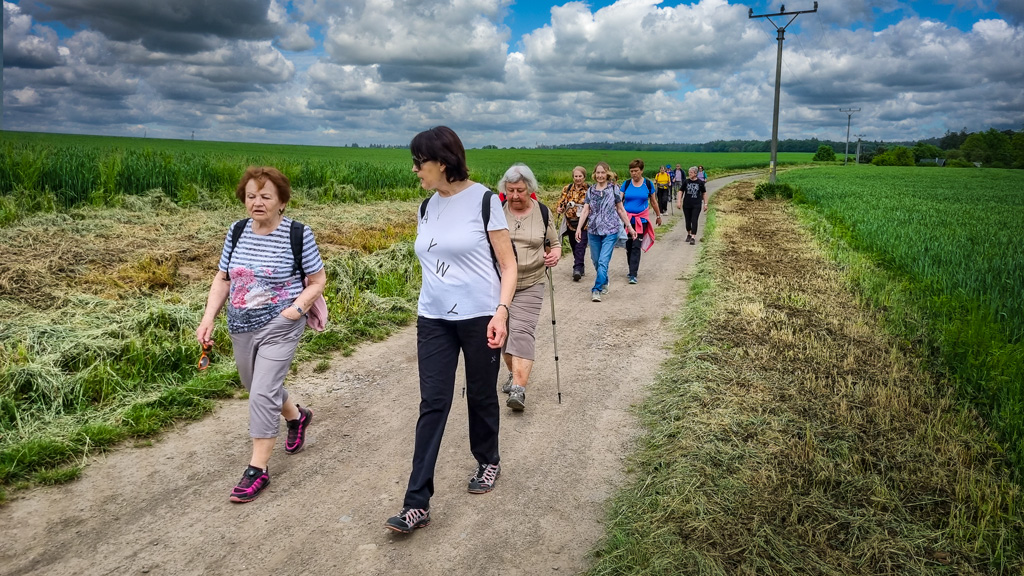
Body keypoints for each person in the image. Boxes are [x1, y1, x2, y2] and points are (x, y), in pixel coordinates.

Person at [386, 126, 517, 534]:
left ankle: (488, 460)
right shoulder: (425, 207)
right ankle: (416, 503)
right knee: (434, 403)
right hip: (434, 319)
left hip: (480, 316)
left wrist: (501, 312)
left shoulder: (484, 202)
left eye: (419, 162)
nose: (414, 170)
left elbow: (508, 265)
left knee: (480, 395)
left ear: (442, 162)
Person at [196, 166, 327, 504]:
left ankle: (258, 469)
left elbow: (317, 281)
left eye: (265, 196)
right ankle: (298, 418)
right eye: (251, 196)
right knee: (254, 385)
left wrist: (295, 311)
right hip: (240, 323)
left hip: (281, 325)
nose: (256, 202)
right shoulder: (237, 231)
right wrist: (209, 317)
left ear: (281, 202)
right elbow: (223, 278)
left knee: (262, 393)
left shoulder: (299, 234)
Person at [497, 164, 559, 411]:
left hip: (531, 282)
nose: (515, 196)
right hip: (499, 285)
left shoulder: (543, 212)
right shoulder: (496, 212)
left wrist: (554, 255)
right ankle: (513, 373)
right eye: (510, 190)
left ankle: (519, 390)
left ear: (530, 189)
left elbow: (554, 244)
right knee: (503, 335)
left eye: (520, 190)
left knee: (522, 332)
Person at [575, 161, 636, 302]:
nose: (600, 175)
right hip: (594, 230)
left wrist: (630, 227)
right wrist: (579, 227)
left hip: (610, 230)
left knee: (603, 261)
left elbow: (620, 209)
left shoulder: (614, 189)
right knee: (596, 261)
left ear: (607, 173)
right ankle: (604, 280)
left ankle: (596, 289)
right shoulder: (590, 191)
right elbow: (585, 210)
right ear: (594, 174)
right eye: (598, 172)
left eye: (603, 172)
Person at [618, 159, 662, 284]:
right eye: (631, 171)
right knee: (629, 246)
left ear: (641, 170)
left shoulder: (648, 184)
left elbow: (653, 201)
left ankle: (633, 273)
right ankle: (631, 268)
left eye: (636, 171)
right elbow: (619, 200)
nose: (634, 173)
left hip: (641, 221)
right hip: (627, 220)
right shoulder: (626, 184)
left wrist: (658, 215)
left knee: (636, 245)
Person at [555, 166, 589, 281]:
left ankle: (577, 269)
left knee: (580, 245)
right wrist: (560, 208)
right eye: (576, 176)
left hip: (584, 224)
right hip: (570, 223)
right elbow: (562, 201)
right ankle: (580, 264)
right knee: (574, 246)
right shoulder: (567, 188)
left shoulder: (589, 189)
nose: (578, 178)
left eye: (580, 176)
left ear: (584, 177)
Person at [677, 166, 708, 245]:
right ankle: (689, 233)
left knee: (694, 220)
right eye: (689, 172)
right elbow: (681, 191)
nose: (689, 174)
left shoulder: (700, 183)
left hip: (696, 204)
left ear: (695, 173)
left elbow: (704, 193)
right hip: (687, 204)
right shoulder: (686, 182)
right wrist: (679, 201)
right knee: (688, 221)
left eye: (691, 172)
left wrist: (705, 204)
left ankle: (693, 237)